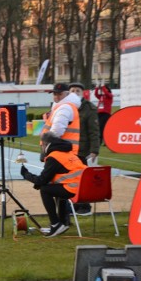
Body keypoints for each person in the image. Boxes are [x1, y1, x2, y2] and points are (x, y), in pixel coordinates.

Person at [20, 132, 86, 238]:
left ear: (46, 144)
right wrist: (40, 183)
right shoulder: (69, 153)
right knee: (53, 189)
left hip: (74, 189)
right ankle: (62, 223)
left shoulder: (54, 157)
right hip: (85, 188)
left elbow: (42, 180)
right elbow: (57, 177)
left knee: (45, 190)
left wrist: (26, 174)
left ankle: (56, 224)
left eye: (41, 145)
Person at [39, 83, 82, 226]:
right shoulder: (63, 107)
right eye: (54, 94)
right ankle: (63, 221)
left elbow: (57, 130)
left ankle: (57, 223)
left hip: (61, 154)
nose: (56, 96)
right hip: (63, 153)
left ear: (66, 94)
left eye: (59, 94)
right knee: (59, 187)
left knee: (50, 187)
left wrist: (45, 145)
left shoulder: (65, 107)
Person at [69, 82, 100, 216]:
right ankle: (73, 205)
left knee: (82, 179)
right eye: (72, 90)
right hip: (68, 149)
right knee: (70, 179)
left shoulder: (89, 108)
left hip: (82, 149)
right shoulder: (67, 106)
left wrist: (94, 150)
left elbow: (94, 131)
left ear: (83, 93)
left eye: (77, 90)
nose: (75, 93)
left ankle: (84, 206)